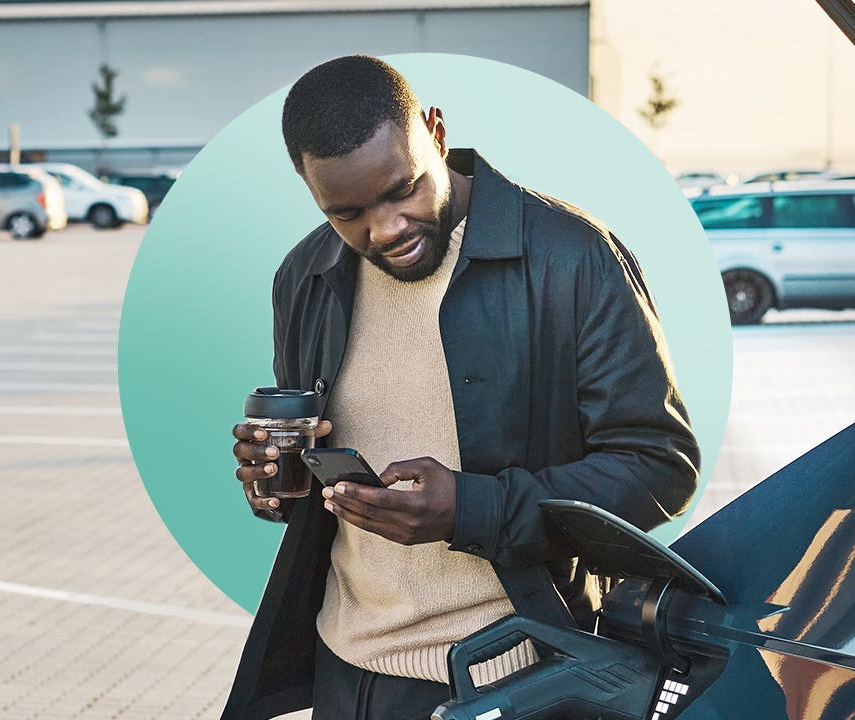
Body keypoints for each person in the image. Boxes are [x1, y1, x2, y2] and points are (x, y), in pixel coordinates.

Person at [224, 55, 699, 720]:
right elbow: (310, 481)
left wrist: (470, 510)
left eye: (402, 190)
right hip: (346, 673)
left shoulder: (572, 257)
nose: (385, 229)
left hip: (520, 675)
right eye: (348, 212)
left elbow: (659, 471)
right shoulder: (306, 275)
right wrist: (272, 480)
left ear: (437, 133)